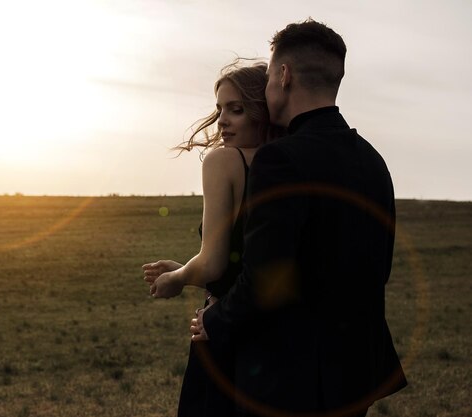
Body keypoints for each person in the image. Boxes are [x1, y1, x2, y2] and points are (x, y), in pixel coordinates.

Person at [191, 19, 407, 417]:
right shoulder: (372, 159)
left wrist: (215, 320)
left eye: (271, 74)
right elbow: (378, 266)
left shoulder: (282, 159)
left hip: (293, 378)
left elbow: (264, 277)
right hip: (356, 375)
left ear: (284, 75)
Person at [142, 61, 276, 416]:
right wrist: (189, 266)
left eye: (237, 109)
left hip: (224, 331)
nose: (222, 121)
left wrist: (177, 278)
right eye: (219, 110)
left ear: (262, 110)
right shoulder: (289, 161)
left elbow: (214, 263)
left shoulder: (224, 161)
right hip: (280, 337)